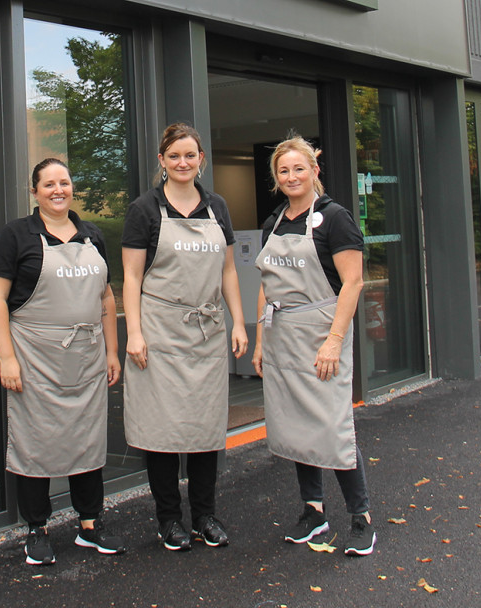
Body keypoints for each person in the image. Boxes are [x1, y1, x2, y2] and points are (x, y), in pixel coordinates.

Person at [0, 158, 124, 566]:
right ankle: (37, 528)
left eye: (64, 182)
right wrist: (6, 358)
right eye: (48, 184)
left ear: (72, 188)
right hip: (35, 357)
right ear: (35, 192)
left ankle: (89, 524)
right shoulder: (16, 236)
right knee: (36, 442)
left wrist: (112, 351)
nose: (57, 190)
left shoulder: (92, 235)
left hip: (86, 356)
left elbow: (106, 297)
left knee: (88, 438)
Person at [121, 123, 248, 551]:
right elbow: (131, 277)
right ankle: (168, 519)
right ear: (161, 161)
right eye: (174, 156)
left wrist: (239, 322)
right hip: (159, 331)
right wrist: (134, 333)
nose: (182, 163)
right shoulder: (144, 210)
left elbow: (229, 271)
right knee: (162, 430)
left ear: (201, 161)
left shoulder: (217, 207)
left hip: (207, 331)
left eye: (190, 155)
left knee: (205, 427)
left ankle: (206, 516)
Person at [252, 135, 375, 557]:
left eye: (298, 169)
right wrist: (259, 341)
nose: (291, 177)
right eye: (283, 171)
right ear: (276, 178)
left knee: (332, 423)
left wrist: (334, 342)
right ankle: (313, 512)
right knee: (298, 426)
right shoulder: (273, 223)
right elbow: (266, 284)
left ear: (314, 171)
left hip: (322, 335)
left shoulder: (335, 218)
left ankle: (362, 518)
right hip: (282, 335)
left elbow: (353, 282)